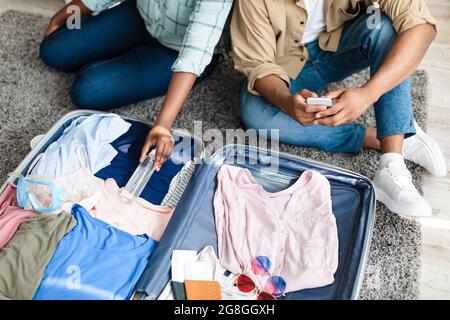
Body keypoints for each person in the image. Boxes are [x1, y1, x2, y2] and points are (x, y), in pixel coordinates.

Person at [231, 0, 447, 217]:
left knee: (384, 28)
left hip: (342, 47)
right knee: (255, 113)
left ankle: (392, 160)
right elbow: (258, 63)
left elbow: (422, 27)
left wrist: (368, 93)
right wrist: (287, 102)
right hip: (286, 65)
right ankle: (386, 135)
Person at [40, 0, 233, 170]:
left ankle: (131, 60)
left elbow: (195, 51)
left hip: (177, 48)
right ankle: (121, 56)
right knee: (53, 49)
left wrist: (163, 125)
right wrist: (63, 15)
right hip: (141, 16)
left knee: (87, 90)